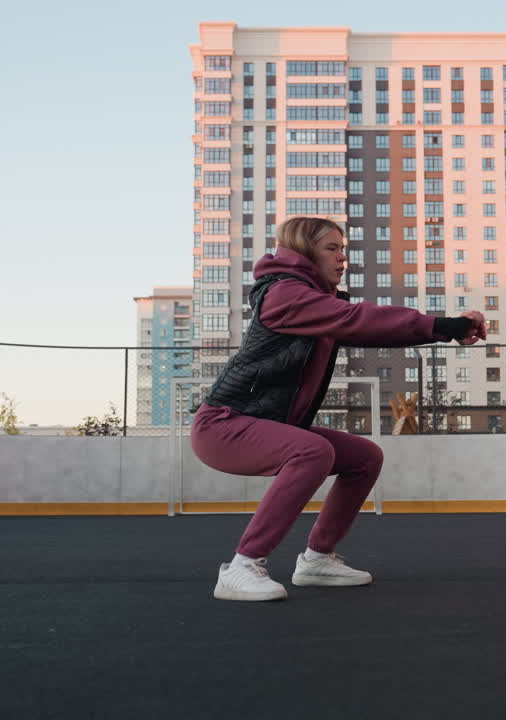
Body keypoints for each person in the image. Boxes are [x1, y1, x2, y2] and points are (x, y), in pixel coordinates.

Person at [191, 216, 487, 601]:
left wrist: (446, 329)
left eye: (342, 249)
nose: (342, 258)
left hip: (264, 422)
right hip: (224, 426)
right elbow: (357, 319)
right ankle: (242, 566)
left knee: (364, 457)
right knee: (312, 451)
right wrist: (446, 325)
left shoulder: (315, 301)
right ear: (305, 252)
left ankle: (317, 559)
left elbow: (370, 328)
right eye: (332, 248)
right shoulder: (284, 294)